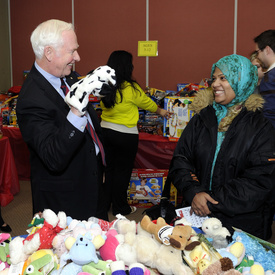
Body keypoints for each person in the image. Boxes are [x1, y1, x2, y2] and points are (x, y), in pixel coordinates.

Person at [168, 54, 275, 240]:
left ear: (241, 81)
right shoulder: (201, 119)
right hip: (197, 219)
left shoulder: (260, 127)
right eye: (214, 78)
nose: (215, 84)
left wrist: (212, 202)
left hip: (242, 227)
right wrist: (194, 192)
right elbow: (181, 159)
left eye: (223, 78)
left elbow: (259, 181)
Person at [16, 19, 108, 221]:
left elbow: (91, 127)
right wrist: (75, 112)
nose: (77, 57)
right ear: (48, 53)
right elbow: (53, 157)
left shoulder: (69, 77)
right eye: (71, 51)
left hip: (92, 185)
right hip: (65, 202)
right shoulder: (31, 98)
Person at [100, 50, 171, 216]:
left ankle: (103, 206)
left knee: (108, 170)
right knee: (122, 172)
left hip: (105, 132)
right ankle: (120, 208)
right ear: (127, 67)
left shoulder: (104, 85)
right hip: (125, 135)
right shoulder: (131, 88)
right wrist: (161, 112)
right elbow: (147, 103)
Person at [254, 30, 275, 127]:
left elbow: (270, 117)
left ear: (267, 50)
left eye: (258, 51)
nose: (258, 56)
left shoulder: (269, 79)